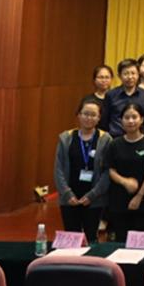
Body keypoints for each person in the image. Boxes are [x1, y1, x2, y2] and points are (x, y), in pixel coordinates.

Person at [54, 99, 112, 243]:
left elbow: (107, 172)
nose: (89, 118)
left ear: (99, 118)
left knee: (91, 238)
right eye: (85, 114)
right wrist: (67, 194)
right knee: (71, 239)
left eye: (93, 115)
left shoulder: (105, 139)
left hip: (95, 200)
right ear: (78, 115)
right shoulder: (66, 137)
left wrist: (92, 195)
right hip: (69, 199)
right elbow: (58, 168)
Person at [105, 103, 144, 241]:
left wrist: (139, 196)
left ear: (142, 119)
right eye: (126, 117)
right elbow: (110, 169)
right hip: (119, 200)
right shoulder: (114, 143)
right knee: (121, 240)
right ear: (121, 120)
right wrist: (124, 181)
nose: (131, 121)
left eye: (134, 117)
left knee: (140, 242)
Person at [103, 58, 144, 137]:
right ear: (119, 76)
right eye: (126, 74)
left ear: (138, 74)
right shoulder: (111, 95)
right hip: (115, 137)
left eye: (133, 73)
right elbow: (105, 120)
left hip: (138, 138)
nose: (130, 77)